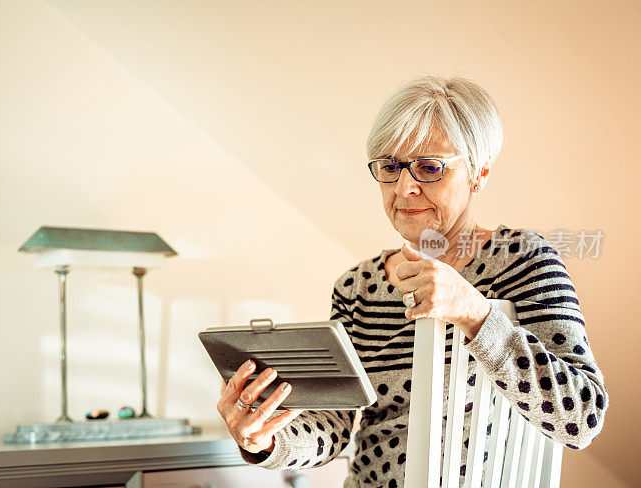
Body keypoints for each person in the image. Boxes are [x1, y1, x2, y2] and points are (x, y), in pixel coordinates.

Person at [215, 75, 609, 488]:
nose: (404, 188)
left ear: (479, 174)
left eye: (428, 167)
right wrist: (263, 438)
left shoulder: (523, 260)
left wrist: (475, 313)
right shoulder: (357, 288)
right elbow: (335, 424)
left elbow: (583, 417)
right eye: (390, 167)